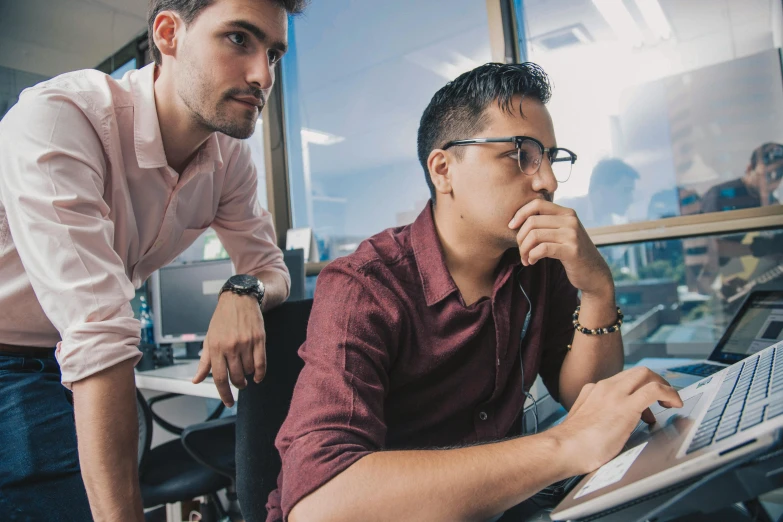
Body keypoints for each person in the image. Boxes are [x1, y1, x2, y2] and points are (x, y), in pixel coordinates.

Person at [266, 63, 682, 522]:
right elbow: (320, 505)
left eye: (549, 157)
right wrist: (563, 445)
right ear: (444, 170)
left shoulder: (536, 262)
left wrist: (598, 289)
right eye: (521, 154)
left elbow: (584, 396)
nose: (548, 182)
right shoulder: (365, 285)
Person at [0, 0, 307, 519]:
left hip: (76, 357)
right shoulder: (61, 118)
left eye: (274, 54)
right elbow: (97, 332)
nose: (263, 75)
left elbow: (269, 268)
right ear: (168, 33)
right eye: (239, 39)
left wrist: (243, 290)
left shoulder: (228, 158)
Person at [701, 142, 783, 213]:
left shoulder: (772, 204)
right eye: (767, 174)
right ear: (749, 168)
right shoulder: (719, 195)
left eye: (779, 174)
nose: (773, 180)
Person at [558, 158, 639, 228]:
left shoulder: (608, 221)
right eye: (625, 191)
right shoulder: (564, 208)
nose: (631, 199)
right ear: (603, 190)